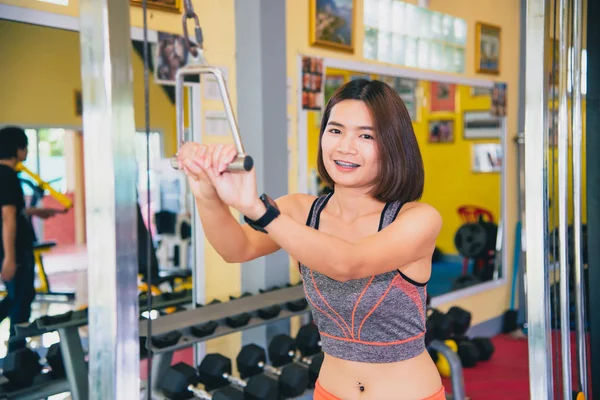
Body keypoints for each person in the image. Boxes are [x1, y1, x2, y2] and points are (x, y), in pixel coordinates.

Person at [177, 79, 444, 400]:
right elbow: (237, 248)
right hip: (329, 392)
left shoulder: (417, 219)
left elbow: (348, 263)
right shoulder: (301, 210)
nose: (345, 147)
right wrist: (206, 192)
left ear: (393, 144)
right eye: (335, 130)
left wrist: (258, 210)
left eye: (366, 135)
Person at [0, 126, 63, 352]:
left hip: (13, 247)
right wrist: (9, 257)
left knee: (21, 295)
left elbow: (12, 211)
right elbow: (7, 217)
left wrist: (33, 212)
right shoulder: (7, 176)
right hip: (14, 248)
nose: (26, 152)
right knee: (21, 300)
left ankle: (16, 352)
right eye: (24, 147)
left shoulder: (6, 175)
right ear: (17, 149)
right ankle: (15, 355)